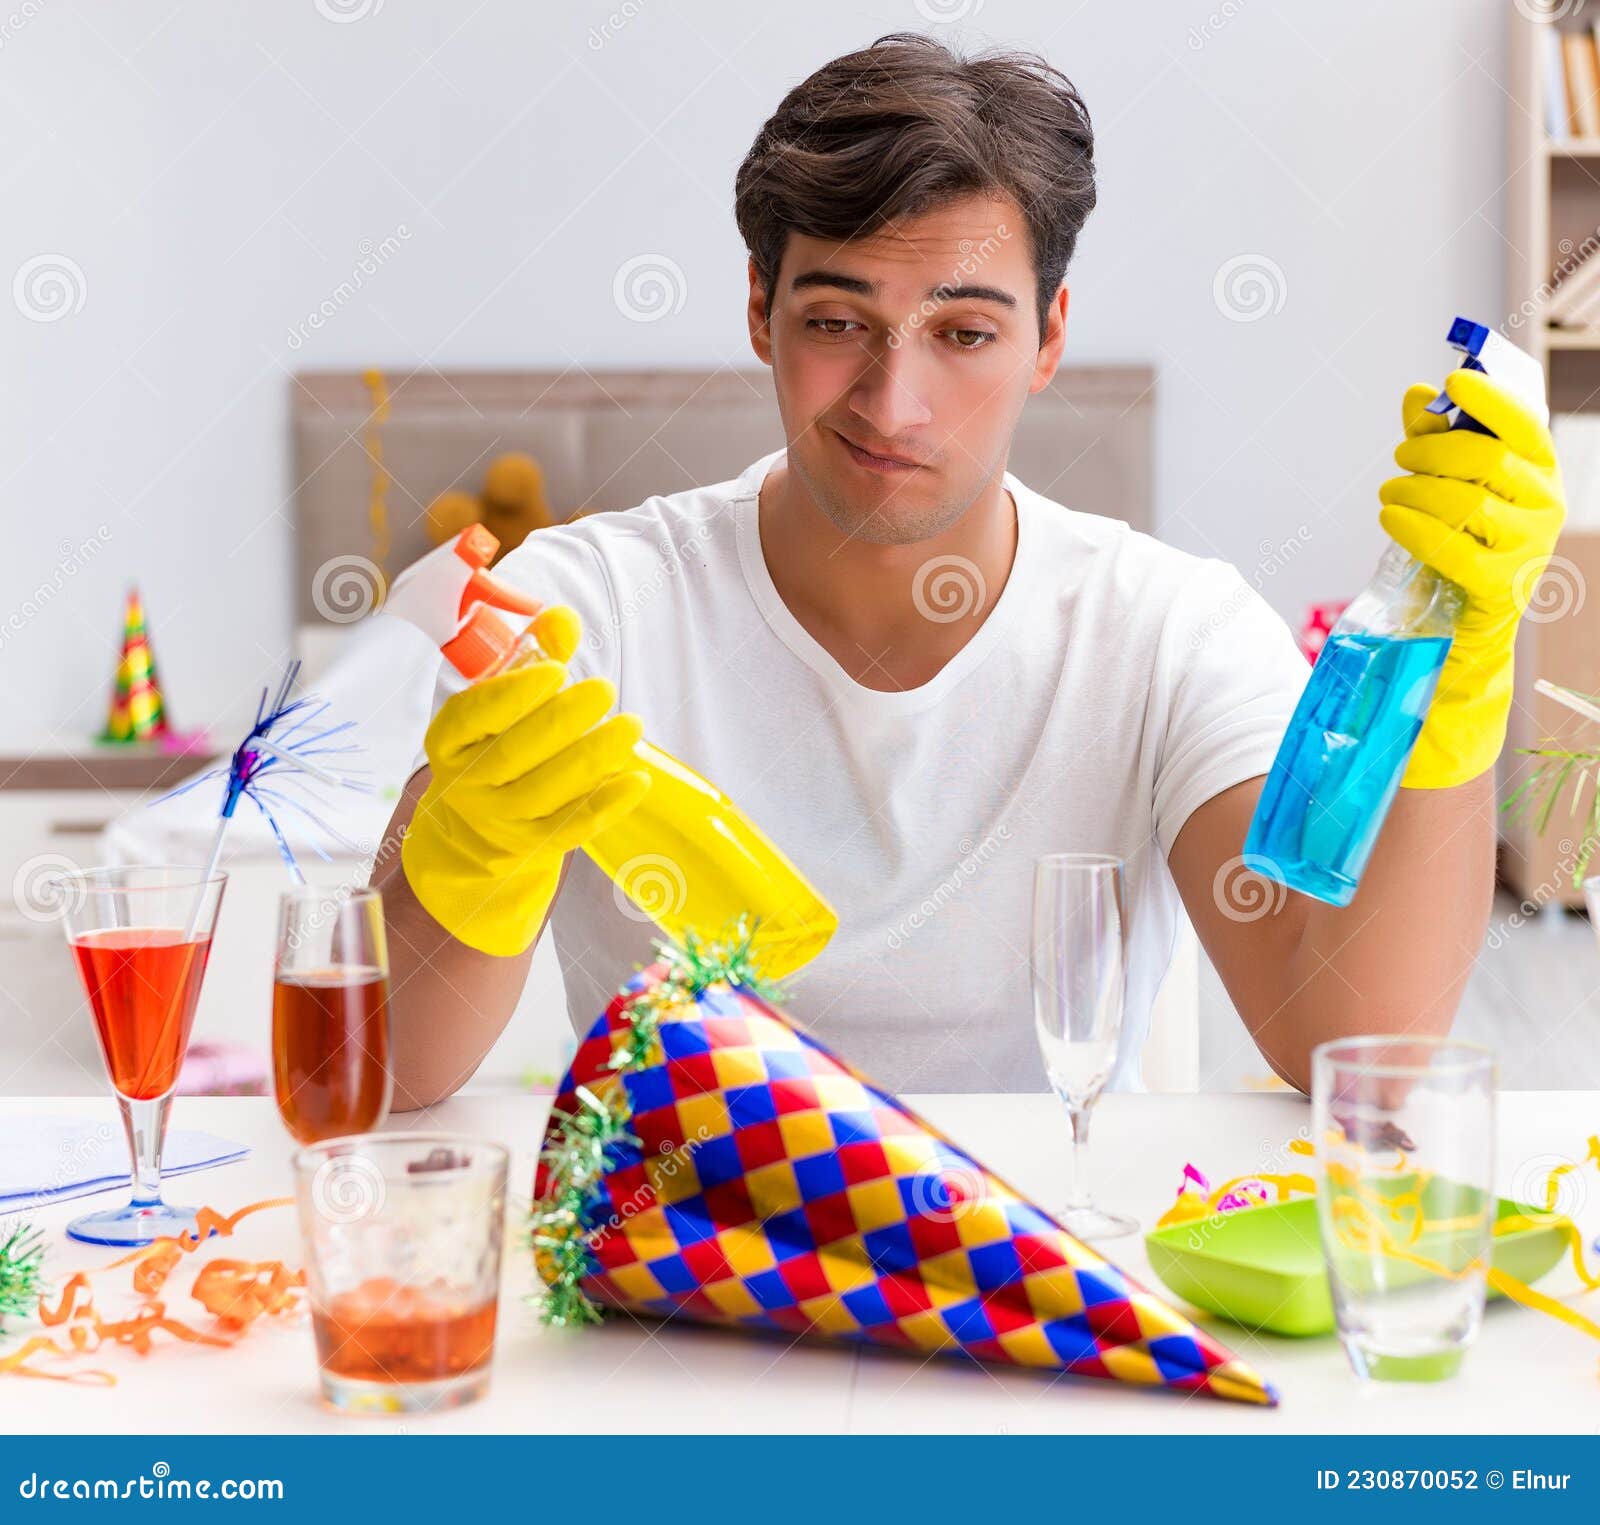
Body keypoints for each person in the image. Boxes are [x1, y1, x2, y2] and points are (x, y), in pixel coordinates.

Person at [375, 32, 1565, 1106]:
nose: (895, 402)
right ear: (760, 310)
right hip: (684, 1271)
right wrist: (464, 856)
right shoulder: (582, 616)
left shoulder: (1167, 633)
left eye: (964, 333)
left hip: (1046, 1286)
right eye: (839, 320)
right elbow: (378, 1080)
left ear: (1048, 336)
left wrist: (1457, 683)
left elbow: (1356, 1049)